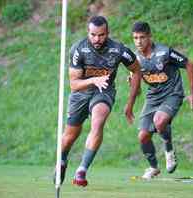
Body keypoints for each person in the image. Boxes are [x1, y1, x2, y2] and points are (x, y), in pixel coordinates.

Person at [54, 15, 141, 187]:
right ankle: (62, 161)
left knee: (98, 121)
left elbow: (137, 69)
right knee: (69, 136)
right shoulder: (79, 49)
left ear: (107, 33)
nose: (97, 39)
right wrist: (93, 80)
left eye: (101, 35)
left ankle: (82, 170)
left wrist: (131, 101)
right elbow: (74, 84)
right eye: (93, 35)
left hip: (104, 92)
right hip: (80, 93)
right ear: (88, 32)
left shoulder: (118, 50)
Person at [130, 21, 193, 179]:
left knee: (159, 121)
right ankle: (153, 167)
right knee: (143, 136)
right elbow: (139, 89)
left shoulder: (164, 52)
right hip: (153, 97)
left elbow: (189, 64)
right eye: (135, 38)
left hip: (172, 94)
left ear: (149, 37)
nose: (139, 41)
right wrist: (133, 83)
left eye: (142, 37)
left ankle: (169, 150)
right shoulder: (135, 60)